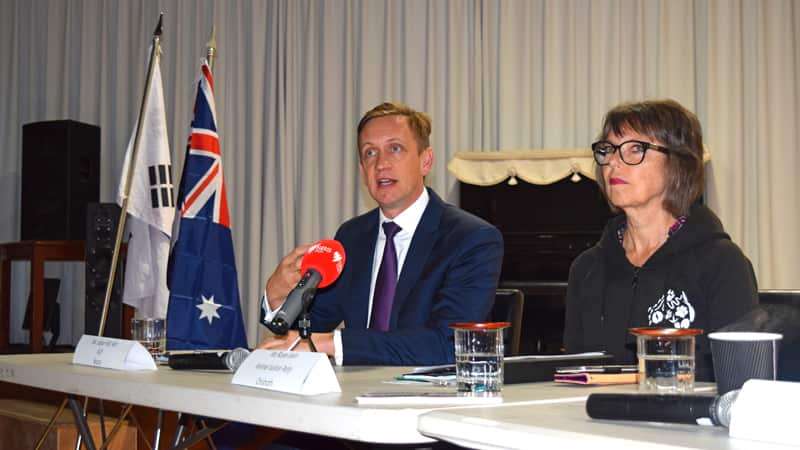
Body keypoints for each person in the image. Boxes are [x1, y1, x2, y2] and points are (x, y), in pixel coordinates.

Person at [257, 101, 504, 366]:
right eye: (370, 153)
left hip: (427, 398)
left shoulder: (471, 238)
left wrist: (329, 343)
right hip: (352, 395)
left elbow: (448, 344)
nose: (381, 164)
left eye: (395, 149)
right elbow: (309, 328)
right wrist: (277, 299)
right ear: (362, 170)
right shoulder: (352, 236)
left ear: (425, 161)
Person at [563, 99, 758, 381]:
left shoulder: (722, 262)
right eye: (608, 150)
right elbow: (572, 375)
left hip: (689, 422)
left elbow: (742, 381)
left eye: (635, 149)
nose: (614, 163)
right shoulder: (587, 267)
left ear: (678, 163)